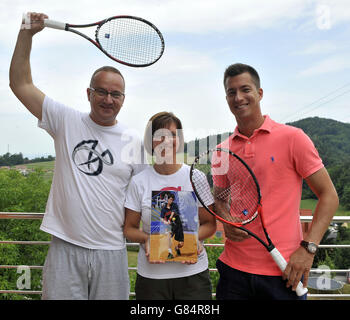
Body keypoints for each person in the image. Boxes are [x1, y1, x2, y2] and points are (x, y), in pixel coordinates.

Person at [9, 12, 144, 300]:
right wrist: (25, 34)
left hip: (112, 250)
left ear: (123, 99)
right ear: (88, 93)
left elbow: (147, 197)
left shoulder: (134, 141)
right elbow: (20, 84)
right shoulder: (65, 120)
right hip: (64, 247)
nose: (108, 99)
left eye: (115, 94)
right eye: (102, 91)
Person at [215, 63, 339, 300]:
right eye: (231, 92)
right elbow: (220, 198)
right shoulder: (222, 151)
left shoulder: (293, 138)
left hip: (284, 273)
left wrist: (309, 248)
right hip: (233, 271)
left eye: (245, 89)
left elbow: (329, 196)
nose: (238, 97)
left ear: (259, 93)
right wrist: (226, 219)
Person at [123, 112, 217, 300]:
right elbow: (129, 229)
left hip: (193, 277)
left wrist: (193, 239)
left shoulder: (195, 177)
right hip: (152, 278)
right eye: (160, 135)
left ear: (180, 140)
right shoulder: (139, 182)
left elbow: (210, 224)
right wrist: (147, 239)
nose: (167, 141)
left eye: (173, 135)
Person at [160, 193, 184, 259]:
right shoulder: (163, 209)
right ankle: (170, 253)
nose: (171, 201)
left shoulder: (174, 205)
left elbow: (173, 212)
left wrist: (169, 219)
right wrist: (164, 221)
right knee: (168, 237)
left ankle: (177, 248)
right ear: (167, 199)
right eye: (170, 199)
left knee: (181, 243)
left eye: (172, 200)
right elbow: (161, 218)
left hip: (178, 224)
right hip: (170, 226)